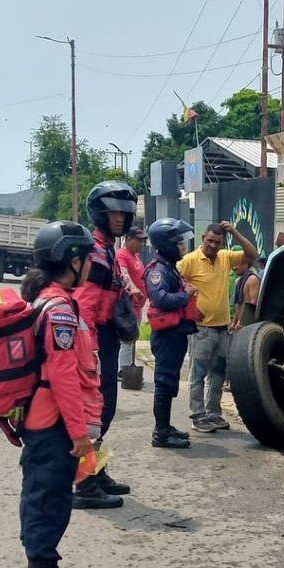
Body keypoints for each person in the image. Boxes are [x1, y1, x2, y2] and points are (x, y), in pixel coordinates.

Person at [17, 221, 104, 568]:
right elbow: (64, 377)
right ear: (73, 260)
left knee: (47, 496)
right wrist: (79, 434)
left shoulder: (52, 300)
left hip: (45, 420)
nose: (89, 265)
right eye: (86, 258)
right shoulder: (60, 310)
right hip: (52, 422)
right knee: (48, 500)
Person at [73, 180, 137, 507]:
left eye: (124, 213)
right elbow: (84, 305)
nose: (120, 218)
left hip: (106, 337)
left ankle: (97, 472)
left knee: (104, 412)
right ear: (100, 213)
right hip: (95, 339)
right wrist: (90, 351)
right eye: (113, 212)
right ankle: (84, 486)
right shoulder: (97, 254)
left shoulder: (107, 248)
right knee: (96, 414)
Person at [178, 221, 257, 432]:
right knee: (198, 374)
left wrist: (234, 232)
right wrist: (189, 304)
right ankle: (198, 415)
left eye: (218, 242)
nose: (213, 245)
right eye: (210, 241)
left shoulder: (224, 257)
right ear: (203, 238)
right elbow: (174, 280)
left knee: (218, 374)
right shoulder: (190, 260)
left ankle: (213, 412)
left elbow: (252, 254)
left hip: (222, 328)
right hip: (201, 328)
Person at [144, 218, 199, 449]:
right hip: (166, 337)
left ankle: (165, 426)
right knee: (164, 382)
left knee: (170, 381)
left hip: (175, 334)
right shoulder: (157, 271)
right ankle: (161, 433)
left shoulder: (168, 267)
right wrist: (185, 295)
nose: (183, 247)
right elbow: (160, 298)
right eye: (178, 242)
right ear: (166, 244)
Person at [115, 226, 148, 376]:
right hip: (127, 305)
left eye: (143, 241)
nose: (141, 244)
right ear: (128, 239)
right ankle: (123, 369)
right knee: (126, 338)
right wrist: (133, 288)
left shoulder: (136, 257)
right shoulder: (122, 255)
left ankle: (127, 367)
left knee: (132, 337)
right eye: (138, 240)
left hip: (137, 306)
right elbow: (124, 273)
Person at [229, 252, 261, 333]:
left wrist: (243, 323)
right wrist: (234, 323)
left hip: (248, 324)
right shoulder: (238, 281)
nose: (234, 268)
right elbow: (238, 305)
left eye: (237, 264)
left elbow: (253, 304)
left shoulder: (252, 279)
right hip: (239, 324)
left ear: (245, 264)